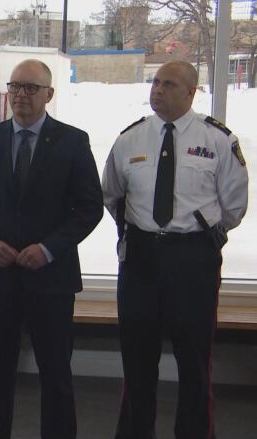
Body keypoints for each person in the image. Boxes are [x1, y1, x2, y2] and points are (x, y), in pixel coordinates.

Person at [0, 59, 103, 439]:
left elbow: (89, 208)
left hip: (51, 278)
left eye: (31, 88)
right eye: (16, 86)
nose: (21, 95)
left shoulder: (73, 141)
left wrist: (49, 249)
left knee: (55, 373)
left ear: (48, 95)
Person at [102, 60, 248, 439]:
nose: (158, 90)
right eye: (155, 82)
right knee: (137, 361)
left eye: (169, 84)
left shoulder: (217, 140)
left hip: (192, 260)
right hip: (141, 260)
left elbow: (233, 206)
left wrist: (199, 238)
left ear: (191, 92)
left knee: (194, 361)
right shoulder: (130, 139)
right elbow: (112, 194)